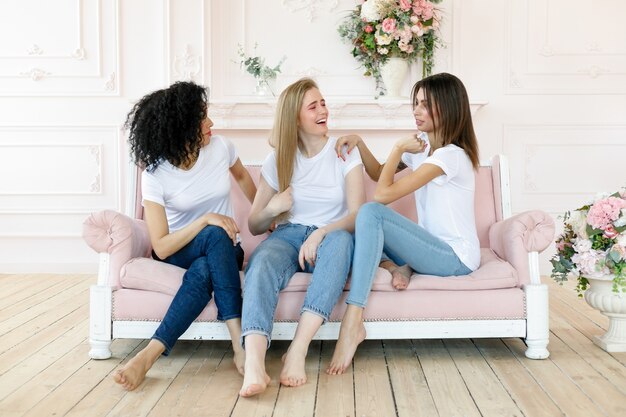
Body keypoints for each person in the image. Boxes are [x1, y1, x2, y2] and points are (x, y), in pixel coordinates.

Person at [327, 72, 481, 375]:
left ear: (448, 108)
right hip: (431, 248)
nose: (416, 110)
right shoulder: (427, 150)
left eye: (425, 105)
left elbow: (382, 195)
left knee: (369, 213)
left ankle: (352, 321)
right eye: (416, 103)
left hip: (456, 258)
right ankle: (399, 266)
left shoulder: (450, 157)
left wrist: (398, 148)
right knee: (361, 230)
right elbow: (377, 173)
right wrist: (359, 143)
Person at [113, 81, 256, 391]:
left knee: (209, 260)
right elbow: (162, 247)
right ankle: (238, 340)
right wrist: (205, 219)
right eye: (202, 118)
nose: (211, 123)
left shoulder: (221, 148)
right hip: (179, 251)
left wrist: (264, 214)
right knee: (214, 232)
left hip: (225, 250)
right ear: (181, 127)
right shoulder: (156, 175)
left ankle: (148, 356)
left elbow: (244, 177)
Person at [239, 78, 365, 397]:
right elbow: (254, 224)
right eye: (313, 106)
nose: (323, 110)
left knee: (341, 243)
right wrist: (273, 208)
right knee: (263, 259)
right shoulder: (278, 159)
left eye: (323, 103)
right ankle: (254, 363)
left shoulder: (344, 152)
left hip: (332, 235)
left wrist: (322, 232)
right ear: (295, 117)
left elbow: (356, 214)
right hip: (289, 236)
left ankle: (297, 350)